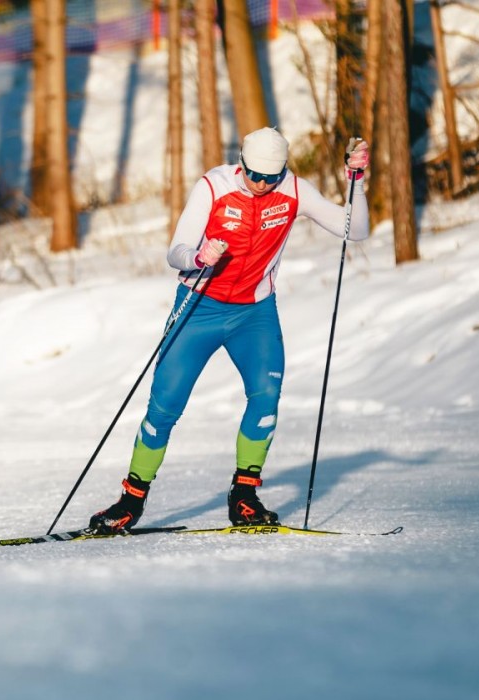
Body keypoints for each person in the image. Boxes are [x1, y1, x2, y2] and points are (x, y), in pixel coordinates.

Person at [89, 127, 371, 533]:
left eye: (270, 178)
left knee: (266, 398)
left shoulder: (293, 190)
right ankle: (130, 501)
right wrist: (199, 255)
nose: (260, 184)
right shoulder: (213, 186)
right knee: (164, 407)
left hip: (254, 315)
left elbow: (354, 231)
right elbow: (176, 251)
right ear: (241, 162)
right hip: (198, 308)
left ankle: (244, 496)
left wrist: (356, 184)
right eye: (254, 175)